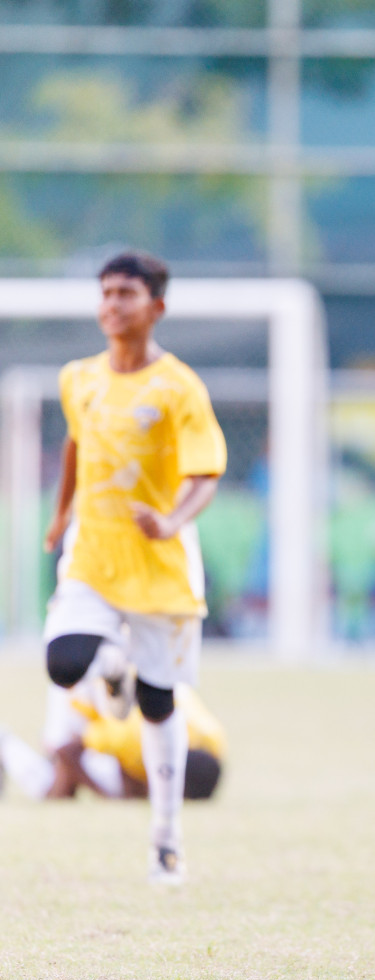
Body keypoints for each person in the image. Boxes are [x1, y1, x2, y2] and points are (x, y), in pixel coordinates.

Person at [39, 250, 226, 885]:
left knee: (157, 701)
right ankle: (111, 667)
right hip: (93, 554)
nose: (112, 304)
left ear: (156, 306)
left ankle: (166, 839)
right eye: (106, 293)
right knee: (64, 662)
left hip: (160, 564)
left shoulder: (179, 387)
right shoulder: (79, 378)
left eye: (126, 293)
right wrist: (61, 514)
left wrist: (172, 521)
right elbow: (75, 443)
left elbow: (206, 473)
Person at [0, 683, 225, 804]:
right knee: (56, 792)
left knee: (130, 783)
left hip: (125, 684)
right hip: (80, 686)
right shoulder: (134, 737)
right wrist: (106, 796)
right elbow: (66, 752)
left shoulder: (213, 741)